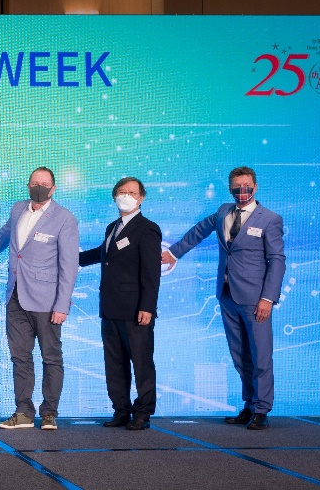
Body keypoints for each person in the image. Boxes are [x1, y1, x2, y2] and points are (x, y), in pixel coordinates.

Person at [162, 166, 284, 430]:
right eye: (237, 187)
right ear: (231, 189)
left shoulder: (269, 219)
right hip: (227, 295)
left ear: (256, 187)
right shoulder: (222, 212)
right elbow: (198, 231)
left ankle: (262, 410)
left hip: (256, 300)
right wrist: (174, 253)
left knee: (261, 356)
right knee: (240, 355)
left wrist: (268, 298)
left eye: (247, 187)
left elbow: (276, 260)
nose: (243, 192)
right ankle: (249, 405)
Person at [0, 167, 78, 431]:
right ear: (28, 186)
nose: (39, 187)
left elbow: (69, 266)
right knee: (20, 357)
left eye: (44, 183)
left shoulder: (64, 219)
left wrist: (62, 304)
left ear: (53, 188)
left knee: (51, 357)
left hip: (48, 301)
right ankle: (23, 412)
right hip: (15, 295)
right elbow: (6, 233)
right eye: (35, 183)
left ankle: (49, 413)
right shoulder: (18, 209)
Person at [77, 177, 161, 431]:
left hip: (136, 309)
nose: (126, 196)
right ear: (114, 196)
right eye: (121, 192)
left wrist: (148, 306)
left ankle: (143, 412)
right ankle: (121, 410)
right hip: (110, 306)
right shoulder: (112, 227)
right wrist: (70, 257)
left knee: (141, 362)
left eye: (131, 192)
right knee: (114, 363)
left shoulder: (147, 228)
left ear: (141, 198)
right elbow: (103, 254)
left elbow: (151, 271)